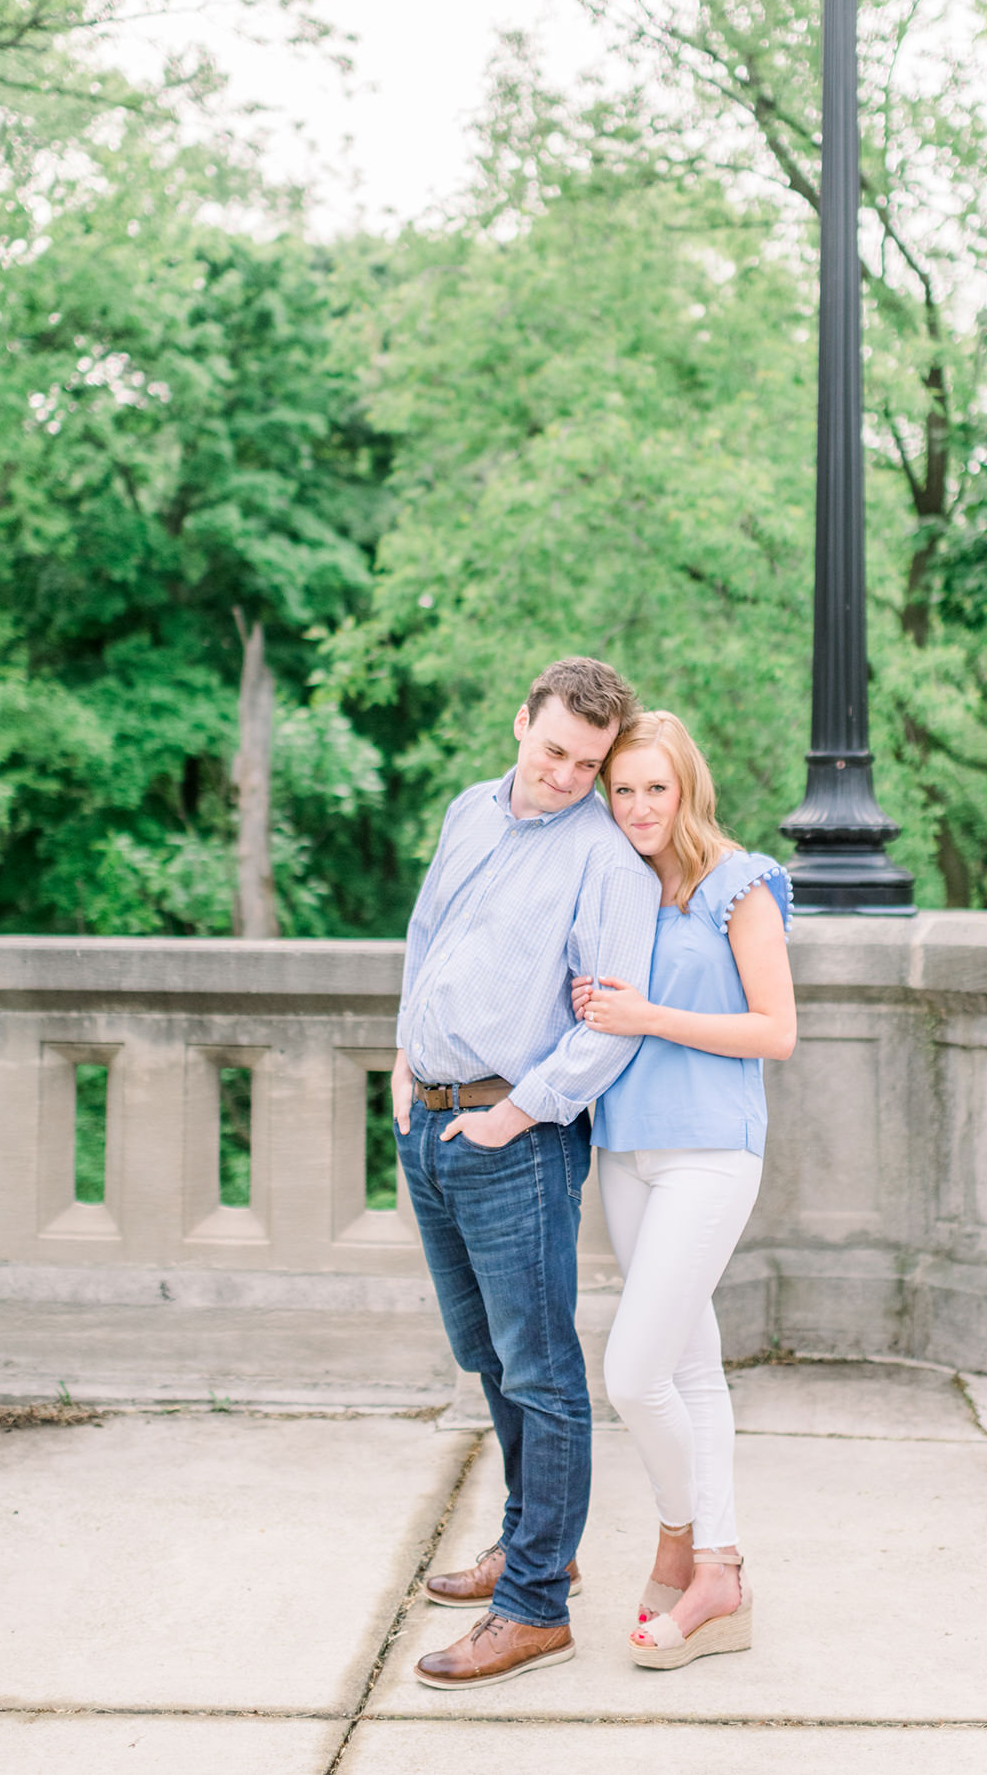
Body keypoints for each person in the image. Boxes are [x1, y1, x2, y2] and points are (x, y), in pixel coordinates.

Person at [392, 657, 661, 1690]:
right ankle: (531, 1542)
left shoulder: (606, 864)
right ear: (521, 725)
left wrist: (514, 1114)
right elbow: (427, 937)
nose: (565, 776)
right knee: (487, 1356)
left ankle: (535, 1605)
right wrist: (406, 1061)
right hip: (434, 1124)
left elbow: (609, 1027)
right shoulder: (470, 809)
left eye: (588, 764)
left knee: (543, 1372)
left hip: (518, 1138)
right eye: (554, 751)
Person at [572, 709, 796, 1670]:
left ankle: (692, 1546)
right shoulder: (617, 887)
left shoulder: (737, 885)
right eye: (620, 789)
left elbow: (775, 1031)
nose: (636, 806)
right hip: (625, 1149)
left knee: (632, 1375)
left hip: (710, 1151)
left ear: (687, 787)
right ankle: (719, 1576)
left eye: (653, 787)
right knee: (693, 1373)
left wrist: (648, 1014)